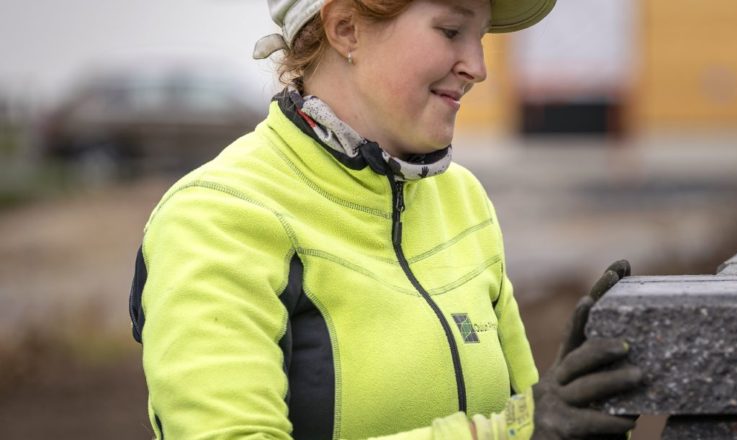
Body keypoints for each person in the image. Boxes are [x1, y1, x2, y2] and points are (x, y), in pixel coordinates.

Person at [127, 0, 642, 438]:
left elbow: (526, 415)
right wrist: (517, 428)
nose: (478, 67)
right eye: (451, 30)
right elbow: (518, 426)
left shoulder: (461, 197)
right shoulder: (217, 216)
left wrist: (575, 407)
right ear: (346, 28)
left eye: (480, 37)